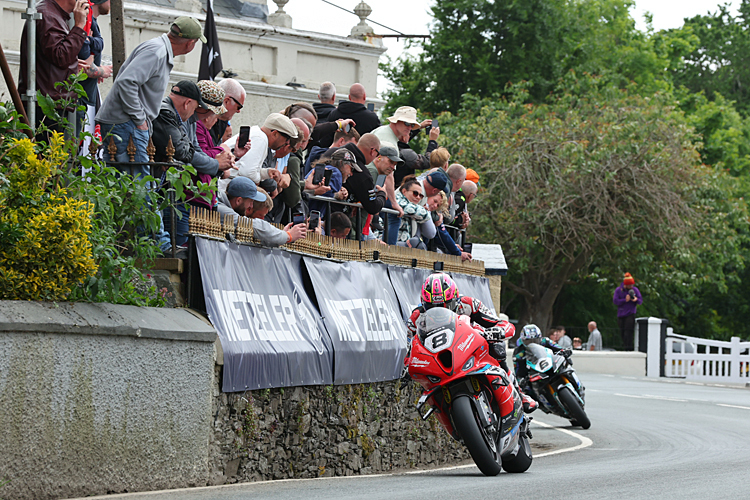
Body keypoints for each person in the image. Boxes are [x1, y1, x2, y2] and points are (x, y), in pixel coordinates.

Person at [96, 16, 205, 254]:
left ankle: (137, 241)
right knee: (140, 184)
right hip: (127, 124)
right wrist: (140, 120)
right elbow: (126, 83)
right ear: (190, 43)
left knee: (131, 184)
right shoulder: (156, 51)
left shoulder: (156, 48)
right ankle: (159, 244)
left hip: (125, 123)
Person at [405, 273, 537, 413]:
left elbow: (503, 324)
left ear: (455, 298)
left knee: (497, 348)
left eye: (446, 305)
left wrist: (496, 332)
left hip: (469, 345)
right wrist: (408, 366)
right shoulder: (416, 318)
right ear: (423, 303)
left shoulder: (468, 304)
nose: (440, 310)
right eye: (432, 306)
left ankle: (519, 393)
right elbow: (410, 347)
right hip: (440, 357)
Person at [151, 80, 234, 247]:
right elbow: (184, 152)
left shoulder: (189, 119)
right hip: (180, 195)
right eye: (211, 112)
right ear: (192, 104)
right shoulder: (171, 113)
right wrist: (216, 162)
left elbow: (193, 151)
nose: (214, 118)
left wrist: (214, 161)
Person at [19, 0, 89, 134]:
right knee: (46, 153)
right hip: (45, 108)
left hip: (48, 104)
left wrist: (72, 64)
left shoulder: (53, 13)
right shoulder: (48, 14)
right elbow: (60, 56)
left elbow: (52, 55)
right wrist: (79, 26)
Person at [216, 177, 306, 246]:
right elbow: (253, 226)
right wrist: (287, 236)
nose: (251, 206)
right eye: (250, 201)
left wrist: (280, 235)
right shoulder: (220, 208)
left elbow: (256, 237)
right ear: (238, 200)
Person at [222, 112, 297, 190]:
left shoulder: (259, 135)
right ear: (275, 133)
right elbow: (247, 173)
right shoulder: (261, 139)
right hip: (223, 188)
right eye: (287, 139)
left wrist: (266, 173)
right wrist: (258, 179)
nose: (287, 143)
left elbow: (246, 169)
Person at [76, 0, 113, 140]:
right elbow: (84, 65)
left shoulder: (92, 21)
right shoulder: (87, 19)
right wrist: (101, 71)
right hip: (81, 100)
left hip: (86, 99)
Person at [513, 324, 571, 400]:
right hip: (533, 370)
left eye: (535, 340)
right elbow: (518, 369)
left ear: (540, 338)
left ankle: (576, 384)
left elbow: (558, 348)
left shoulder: (545, 340)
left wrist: (564, 351)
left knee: (566, 364)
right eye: (529, 341)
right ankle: (540, 402)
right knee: (526, 390)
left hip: (547, 362)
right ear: (523, 340)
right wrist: (521, 379)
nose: (532, 343)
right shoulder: (518, 352)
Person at [366, 142, 403, 242]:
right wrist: (382, 195)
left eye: (395, 164)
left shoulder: (377, 172)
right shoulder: (372, 171)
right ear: (379, 157)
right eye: (391, 162)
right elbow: (369, 203)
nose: (393, 167)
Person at [304, 148, 353, 219]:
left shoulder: (327, 168)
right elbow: (324, 191)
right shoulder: (336, 173)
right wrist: (337, 195)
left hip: (304, 209)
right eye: (351, 168)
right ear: (341, 163)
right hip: (310, 213)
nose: (351, 173)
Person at [209, 78, 246, 145]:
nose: (238, 111)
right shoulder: (202, 118)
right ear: (226, 101)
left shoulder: (223, 121)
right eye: (239, 107)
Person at [613, 272, 642, 350]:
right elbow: (615, 301)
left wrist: (635, 300)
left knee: (628, 333)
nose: (631, 287)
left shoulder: (635, 290)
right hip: (621, 314)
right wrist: (624, 300)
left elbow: (640, 300)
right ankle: (625, 347)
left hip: (630, 313)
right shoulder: (619, 290)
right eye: (629, 285)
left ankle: (629, 348)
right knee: (622, 333)